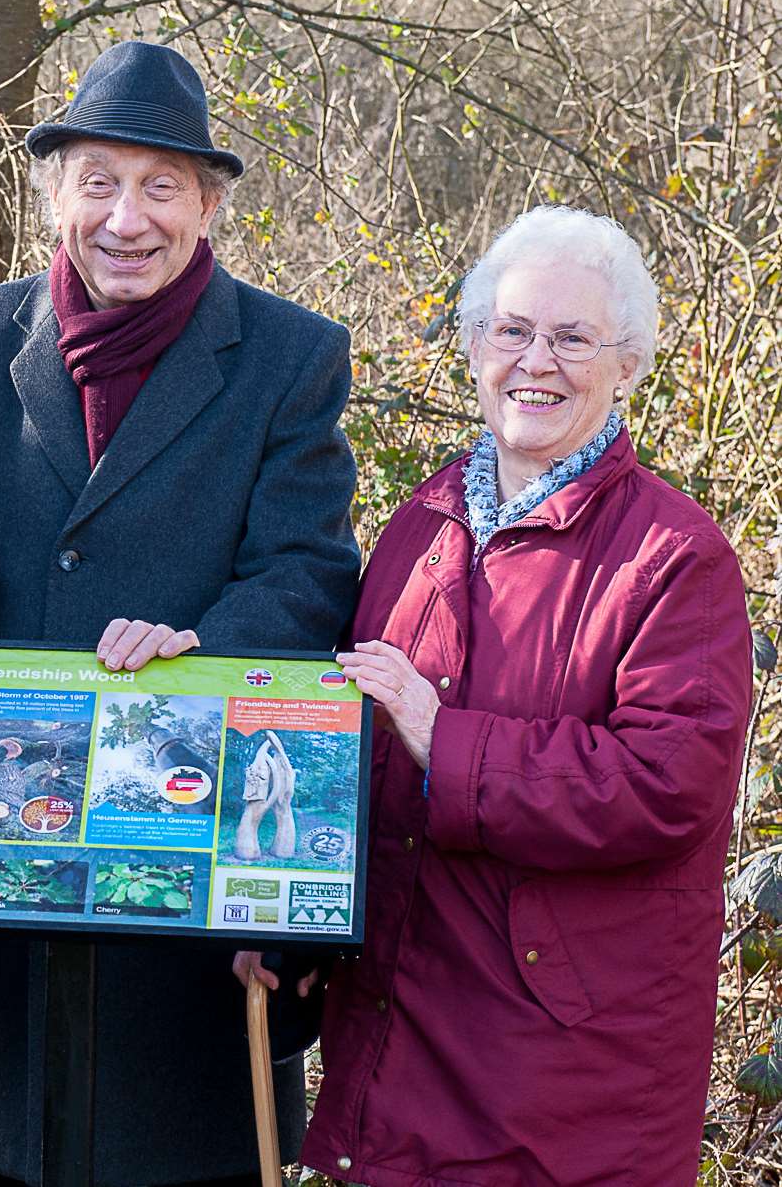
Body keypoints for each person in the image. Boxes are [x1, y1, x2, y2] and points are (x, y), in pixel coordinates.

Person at [0, 40, 361, 1185]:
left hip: (186, 871)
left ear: (207, 205)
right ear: (53, 189)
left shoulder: (289, 356)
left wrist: (202, 643)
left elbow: (309, 571)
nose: (126, 217)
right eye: (98, 180)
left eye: (161, 186)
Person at [279, 205, 753, 1185]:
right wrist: (290, 918)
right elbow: (354, 763)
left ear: (627, 365)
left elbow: (665, 785)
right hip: (400, 1034)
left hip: (558, 1073)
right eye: (511, 330)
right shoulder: (419, 523)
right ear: (470, 348)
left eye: (572, 337)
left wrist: (440, 736)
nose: (535, 361)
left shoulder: (674, 559)